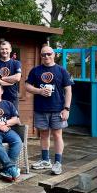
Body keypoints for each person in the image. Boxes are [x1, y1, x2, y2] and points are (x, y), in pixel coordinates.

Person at [26, 45, 73, 175]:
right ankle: (45, 160)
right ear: (40, 56)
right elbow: (27, 86)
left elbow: (68, 90)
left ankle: (58, 163)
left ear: (54, 55)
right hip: (41, 109)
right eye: (43, 54)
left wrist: (67, 108)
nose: (46, 56)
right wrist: (39, 91)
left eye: (48, 54)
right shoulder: (35, 71)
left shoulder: (62, 71)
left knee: (57, 135)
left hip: (58, 109)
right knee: (44, 135)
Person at [0, 41, 22, 110]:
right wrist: (10, 82)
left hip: (12, 97)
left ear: (10, 50)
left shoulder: (16, 63)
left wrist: (1, 78)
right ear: (0, 50)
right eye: (2, 49)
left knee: (14, 119)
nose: (4, 51)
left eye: (6, 49)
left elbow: (17, 78)